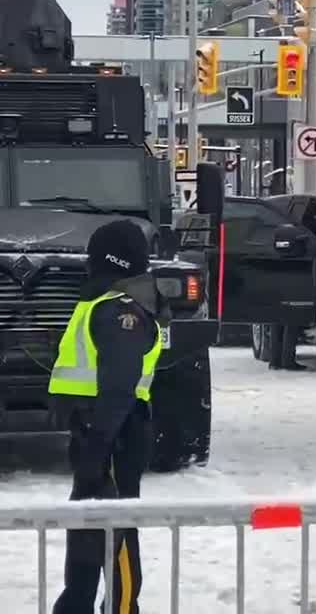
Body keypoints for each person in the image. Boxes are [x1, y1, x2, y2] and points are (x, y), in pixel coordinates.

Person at [49, 220, 167, 614]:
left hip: (115, 433)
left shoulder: (121, 311)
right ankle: (76, 604)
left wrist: (100, 441)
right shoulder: (103, 304)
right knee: (85, 525)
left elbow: (119, 384)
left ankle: (122, 608)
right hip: (97, 430)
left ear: (109, 260)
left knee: (117, 528)